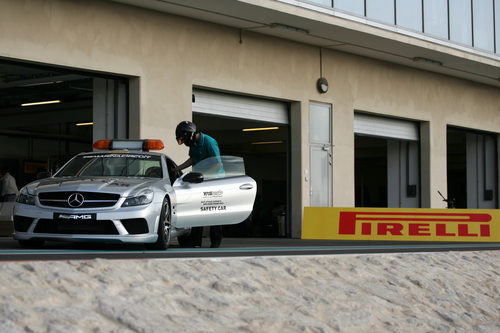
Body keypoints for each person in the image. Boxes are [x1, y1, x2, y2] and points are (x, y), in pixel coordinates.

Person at [174, 120, 223, 248]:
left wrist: (204, 176)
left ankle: (216, 241)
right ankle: (195, 241)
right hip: (200, 180)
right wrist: (177, 169)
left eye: (183, 139)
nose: (184, 143)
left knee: (213, 211)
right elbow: (192, 159)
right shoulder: (193, 144)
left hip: (214, 180)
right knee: (198, 209)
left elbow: (217, 164)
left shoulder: (209, 142)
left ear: (189, 134)